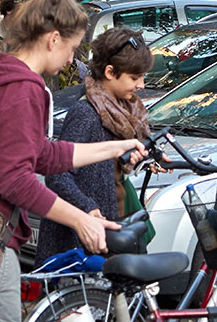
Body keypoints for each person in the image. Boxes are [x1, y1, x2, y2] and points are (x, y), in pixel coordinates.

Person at [0, 0, 147, 321]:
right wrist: (81, 220)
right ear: (54, 39)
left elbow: (43, 153)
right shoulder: (24, 89)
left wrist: (116, 148)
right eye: (71, 49)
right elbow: (15, 179)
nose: (71, 60)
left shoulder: (0, 73)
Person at [35, 28, 154, 265]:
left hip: (112, 228)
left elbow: (104, 168)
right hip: (81, 242)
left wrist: (131, 161)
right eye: (134, 77)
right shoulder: (86, 113)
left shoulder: (119, 111)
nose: (141, 84)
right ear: (110, 72)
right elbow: (58, 176)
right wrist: (88, 209)